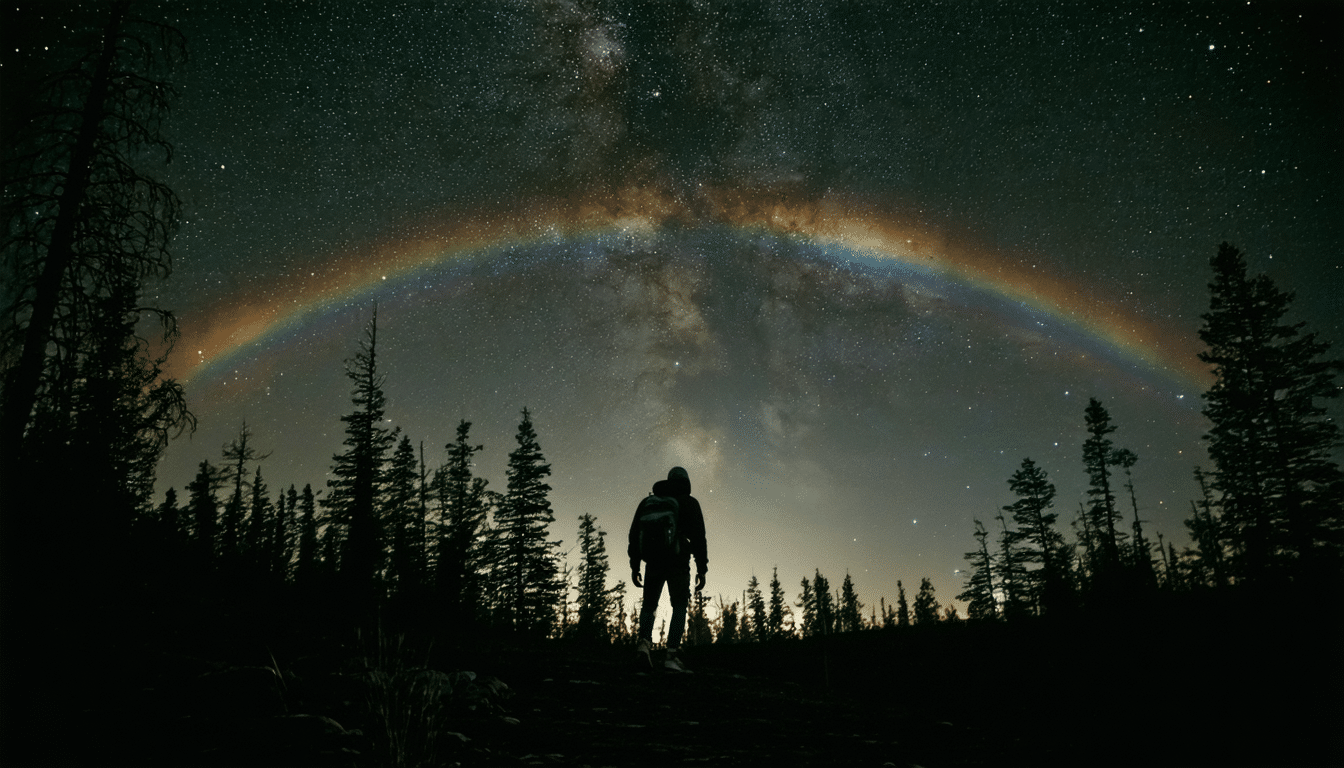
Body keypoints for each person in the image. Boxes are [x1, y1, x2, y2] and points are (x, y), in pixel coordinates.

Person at [629, 466, 707, 672]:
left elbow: (634, 532)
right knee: (679, 605)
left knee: (649, 604)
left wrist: (635, 564)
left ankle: (643, 648)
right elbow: (699, 537)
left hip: (653, 561)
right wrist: (702, 568)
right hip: (678, 561)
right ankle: (671, 655)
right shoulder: (689, 502)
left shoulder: (649, 502)